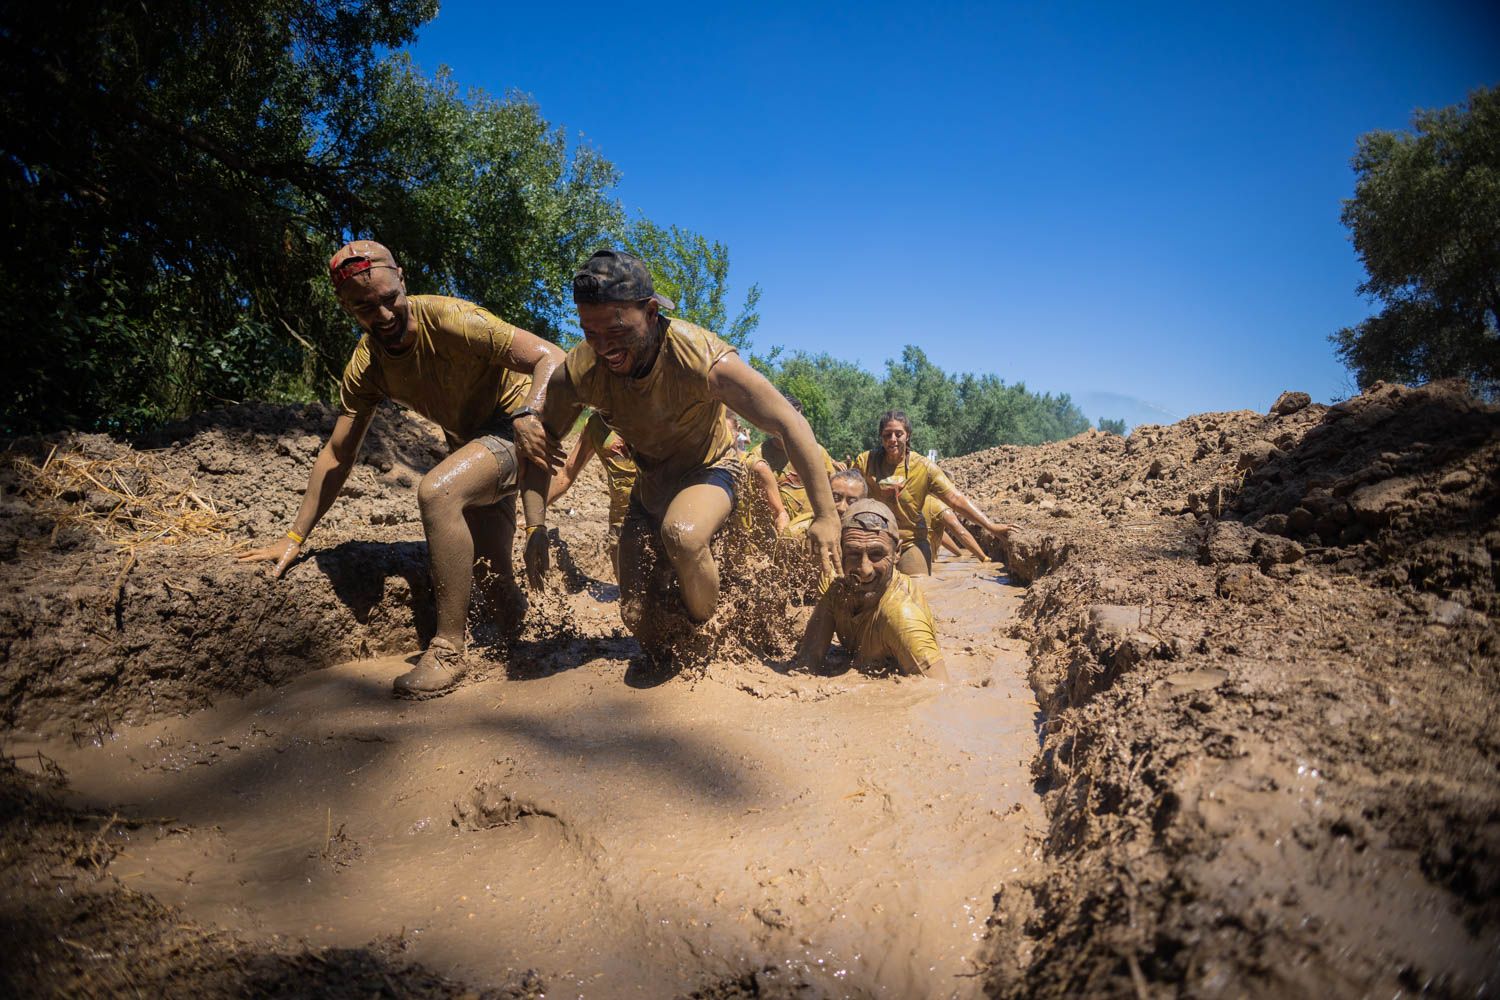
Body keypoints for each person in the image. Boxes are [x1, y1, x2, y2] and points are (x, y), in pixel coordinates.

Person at [238, 240, 562, 699]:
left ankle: (448, 651)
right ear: (345, 307)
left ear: (403, 278)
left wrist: (530, 414)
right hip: (470, 443)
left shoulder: (453, 319)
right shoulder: (367, 367)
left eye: (389, 298)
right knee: (493, 581)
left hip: (519, 428)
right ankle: (531, 644)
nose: (383, 315)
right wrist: (293, 537)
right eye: (364, 308)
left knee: (438, 493)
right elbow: (337, 453)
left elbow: (552, 356)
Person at [532, 249, 840, 652]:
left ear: (651, 311)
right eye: (592, 333)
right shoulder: (579, 372)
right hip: (650, 484)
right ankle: (677, 642)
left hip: (711, 469)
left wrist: (826, 514)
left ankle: (711, 638)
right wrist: (535, 523)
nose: (605, 347)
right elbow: (541, 444)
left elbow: (789, 420)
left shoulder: (702, 358)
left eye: (618, 330)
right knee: (635, 616)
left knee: (683, 534)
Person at [794, 499, 947, 680]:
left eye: (876, 554)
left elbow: (939, 689)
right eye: (853, 554)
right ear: (840, 552)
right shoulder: (838, 590)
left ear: (897, 552)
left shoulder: (902, 617)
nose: (865, 569)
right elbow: (806, 665)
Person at [852, 410, 1014, 575]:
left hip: (910, 541)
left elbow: (956, 499)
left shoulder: (924, 468)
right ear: (881, 437)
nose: (892, 439)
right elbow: (849, 496)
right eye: (887, 435)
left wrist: (991, 527)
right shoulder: (866, 462)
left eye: (898, 434)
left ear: (907, 436)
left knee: (918, 588)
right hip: (872, 540)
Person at [546, 410, 637, 579]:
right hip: (621, 524)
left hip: (660, 515)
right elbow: (566, 474)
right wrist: (535, 513)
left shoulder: (657, 410)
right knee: (628, 597)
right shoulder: (597, 424)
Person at [746, 393, 838, 536]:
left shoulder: (817, 453)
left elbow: (834, 491)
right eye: (784, 421)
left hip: (811, 531)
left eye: (796, 421)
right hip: (773, 534)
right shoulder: (758, 455)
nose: (790, 428)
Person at [924, 495, 990, 562]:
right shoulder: (938, 505)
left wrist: (959, 553)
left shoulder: (918, 502)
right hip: (924, 562)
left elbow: (936, 533)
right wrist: (983, 558)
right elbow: (961, 533)